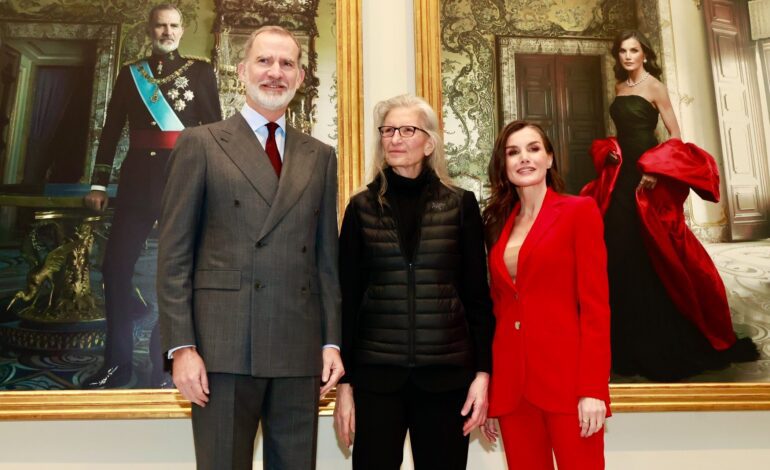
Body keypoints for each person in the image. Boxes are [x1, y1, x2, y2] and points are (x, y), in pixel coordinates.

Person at [156, 25, 343, 470]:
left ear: (300, 78)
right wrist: (182, 347)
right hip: (222, 347)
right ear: (241, 71)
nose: (275, 72)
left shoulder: (320, 155)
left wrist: (331, 342)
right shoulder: (201, 143)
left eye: (287, 64)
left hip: (298, 350)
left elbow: (325, 260)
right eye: (264, 61)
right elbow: (174, 255)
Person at [581, 29, 758, 382]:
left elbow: (674, 135)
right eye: (622, 51)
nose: (627, 56)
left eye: (633, 50)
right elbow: (624, 132)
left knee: (654, 249)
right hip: (621, 174)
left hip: (648, 174)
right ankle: (624, 341)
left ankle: (661, 335)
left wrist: (657, 170)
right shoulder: (619, 88)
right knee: (618, 248)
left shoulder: (655, 87)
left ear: (644, 54)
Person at [333, 94, 494, 470]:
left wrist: (483, 374)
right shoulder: (360, 208)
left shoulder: (461, 204)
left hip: (446, 378)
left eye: (407, 130)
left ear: (429, 142)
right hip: (377, 380)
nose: (395, 139)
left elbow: (477, 298)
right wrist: (346, 384)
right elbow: (347, 300)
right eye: (388, 130)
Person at [82, 3, 222, 389]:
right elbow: (110, 131)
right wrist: (98, 183)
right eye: (160, 26)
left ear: (182, 30)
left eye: (174, 26)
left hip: (184, 180)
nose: (167, 32)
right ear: (149, 29)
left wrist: (216, 183)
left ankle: (164, 363)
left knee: (178, 273)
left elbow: (214, 132)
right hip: (137, 181)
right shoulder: (131, 75)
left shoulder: (200, 72)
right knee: (114, 268)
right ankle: (117, 364)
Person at [481, 121, 610, 469]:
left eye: (533, 148)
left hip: (568, 386)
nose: (524, 158)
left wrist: (593, 389)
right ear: (504, 165)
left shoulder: (578, 212)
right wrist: (494, 393)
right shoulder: (496, 222)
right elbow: (498, 310)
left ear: (549, 158)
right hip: (512, 390)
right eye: (513, 152)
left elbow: (596, 307)